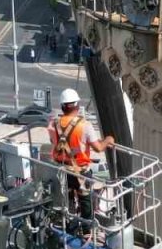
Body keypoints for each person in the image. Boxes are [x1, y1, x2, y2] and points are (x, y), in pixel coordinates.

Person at [47, 88, 115, 218]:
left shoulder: (54, 124)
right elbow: (98, 148)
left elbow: (54, 141)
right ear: (77, 106)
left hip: (61, 170)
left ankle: (69, 220)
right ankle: (87, 227)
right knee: (85, 200)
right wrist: (108, 140)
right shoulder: (85, 125)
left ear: (62, 107)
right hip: (79, 171)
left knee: (67, 197)